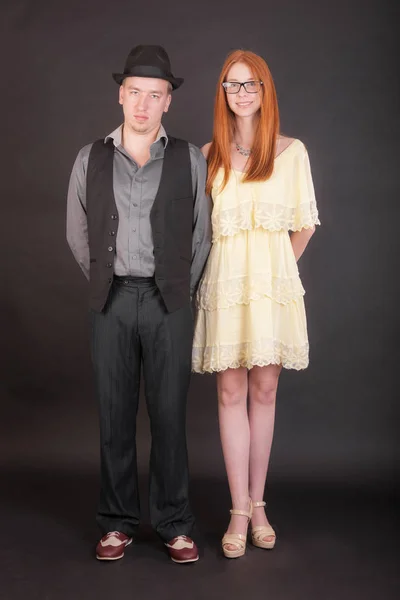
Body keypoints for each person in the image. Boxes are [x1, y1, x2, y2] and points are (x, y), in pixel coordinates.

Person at [67, 45, 211, 563]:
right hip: (110, 300)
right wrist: (107, 280)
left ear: (168, 102)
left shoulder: (189, 158)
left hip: (168, 301)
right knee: (114, 416)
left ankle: (175, 524)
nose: (143, 105)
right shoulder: (91, 157)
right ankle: (117, 523)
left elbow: (202, 236)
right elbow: (77, 231)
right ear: (120, 95)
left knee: (170, 417)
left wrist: (175, 287)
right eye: (135, 93)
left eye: (155, 95)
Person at [192, 49, 320, 558]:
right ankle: (238, 511)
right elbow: (200, 232)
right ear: (222, 93)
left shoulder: (292, 152)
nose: (242, 93)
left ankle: (259, 503)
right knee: (230, 392)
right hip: (225, 287)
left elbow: (305, 224)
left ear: (265, 92)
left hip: (269, 291)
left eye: (251, 85)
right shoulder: (209, 154)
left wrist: (274, 276)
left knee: (264, 390)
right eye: (233, 84)